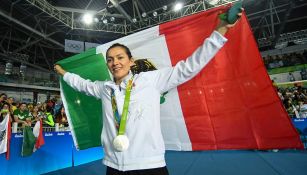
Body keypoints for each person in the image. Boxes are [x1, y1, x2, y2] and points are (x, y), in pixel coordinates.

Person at [54, 11, 242, 175]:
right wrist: (64, 73)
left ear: (131, 61)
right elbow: (82, 84)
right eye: (110, 60)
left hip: (149, 165)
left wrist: (220, 32)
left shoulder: (150, 81)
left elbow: (189, 67)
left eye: (120, 57)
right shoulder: (104, 88)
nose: (115, 63)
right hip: (113, 165)